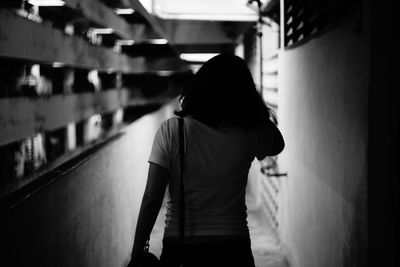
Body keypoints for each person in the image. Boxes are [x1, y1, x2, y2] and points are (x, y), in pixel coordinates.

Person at [128, 53, 285, 267]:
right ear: (244, 93)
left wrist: (137, 254)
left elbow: (151, 200)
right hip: (234, 247)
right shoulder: (250, 131)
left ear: (199, 87)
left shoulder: (172, 130)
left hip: (181, 248)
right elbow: (278, 144)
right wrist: (254, 107)